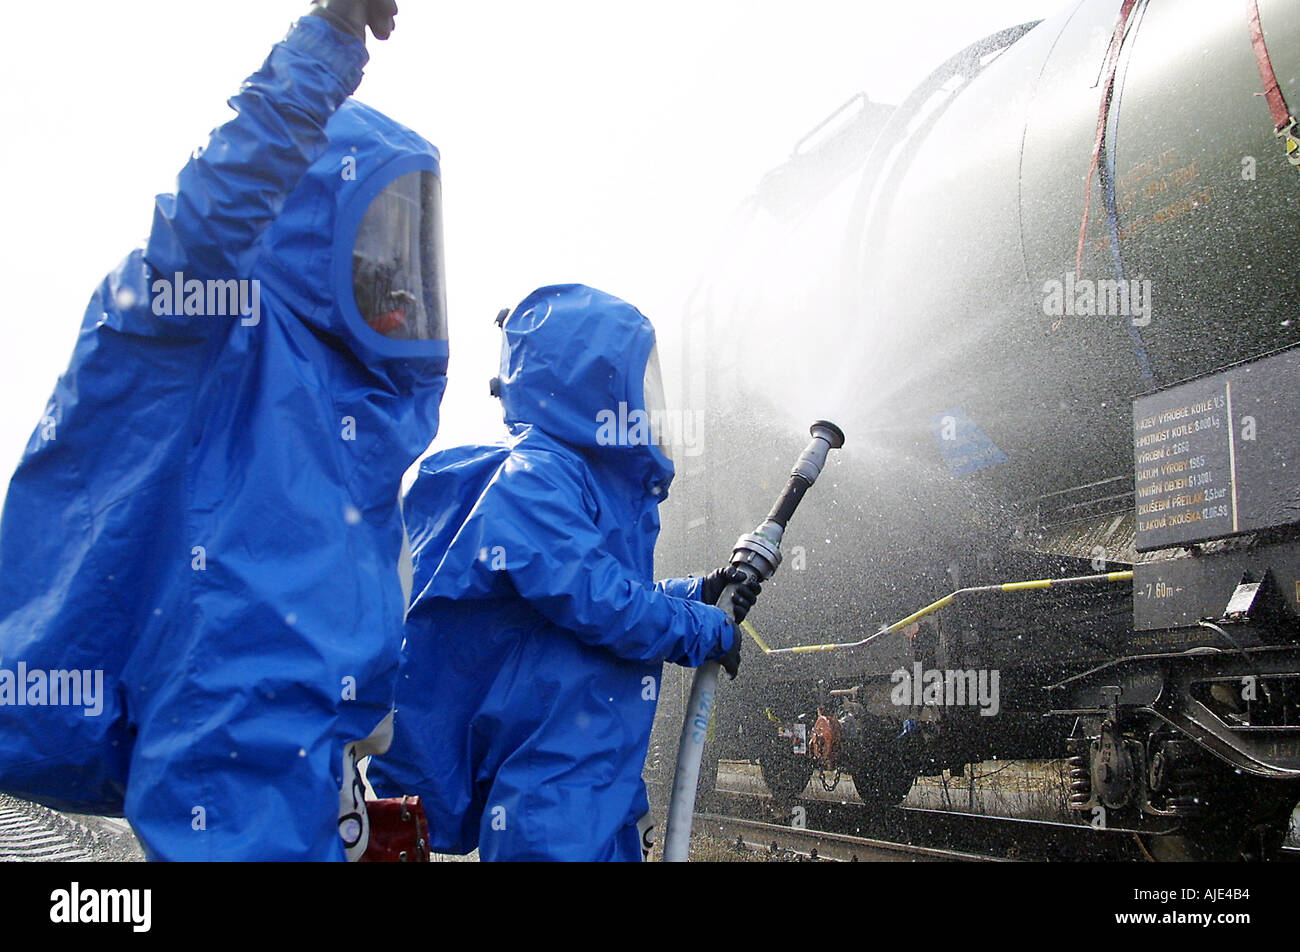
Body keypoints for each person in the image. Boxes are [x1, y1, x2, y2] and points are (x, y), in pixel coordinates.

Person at [0, 0, 447, 861]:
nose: (399, 290)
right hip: (228, 733)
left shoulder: (359, 404)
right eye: (378, 248)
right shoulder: (212, 322)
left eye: (409, 255)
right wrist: (328, 46)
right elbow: (212, 216)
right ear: (309, 227)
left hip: (304, 754)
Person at [368, 284, 758, 861]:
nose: (646, 405)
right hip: (555, 773)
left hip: (592, 765)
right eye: (633, 381)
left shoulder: (569, 478)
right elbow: (598, 599)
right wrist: (700, 628)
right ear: (590, 382)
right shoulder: (536, 476)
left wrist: (694, 592)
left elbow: (570, 609)